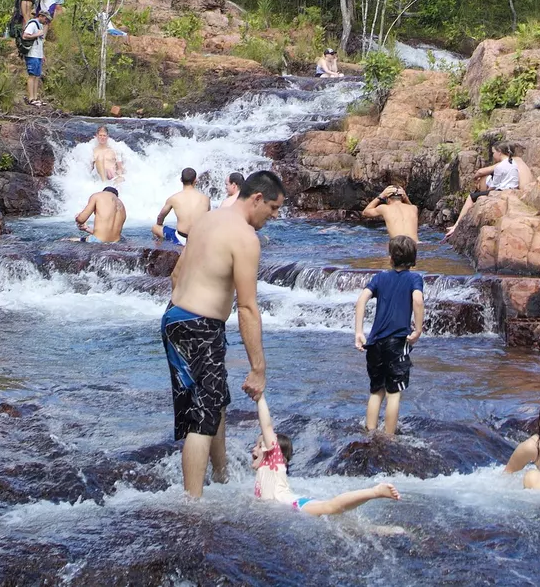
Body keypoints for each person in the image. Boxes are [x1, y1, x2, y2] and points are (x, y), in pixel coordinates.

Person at [162, 170, 285, 498]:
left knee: (214, 400)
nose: (273, 216)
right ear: (257, 198)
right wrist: (258, 367)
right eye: (272, 208)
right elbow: (246, 307)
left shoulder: (205, 220)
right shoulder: (245, 237)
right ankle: (193, 506)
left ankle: (220, 476)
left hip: (174, 319)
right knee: (203, 415)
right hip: (201, 325)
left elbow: (176, 274)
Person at [252, 393, 401, 515]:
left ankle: (375, 491)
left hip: (291, 503)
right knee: (340, 521)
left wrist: (260, 398)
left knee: (329, 508)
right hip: (287, 506)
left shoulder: (273, 462)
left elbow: (266, 425)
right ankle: (383, 530)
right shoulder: (263, 474)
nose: (254, 449)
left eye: (260, 446)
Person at [353, 235, 424, 435]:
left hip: (374, 343)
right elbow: (417, 301)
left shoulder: (380, 278)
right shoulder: (414, 278)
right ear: (414, 259)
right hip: (396, 343)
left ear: (391, 258)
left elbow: (361, 300)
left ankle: (370, 431)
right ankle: (389, 437)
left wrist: (359, 332)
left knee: (376, 391)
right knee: (394, 394)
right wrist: (417, 330)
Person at [444, 143, 521, 236]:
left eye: (493, 152)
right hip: (512, 189)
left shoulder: (499, 166)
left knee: (471, 197)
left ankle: (456, 225)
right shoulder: (513, 163)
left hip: (500, 191)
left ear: (499, 152)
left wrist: (486, 188)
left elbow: (494, 186)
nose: (493, 155)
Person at [154, 167, 211, 245]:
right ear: (195, 180)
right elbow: (208, 219)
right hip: (199, 238)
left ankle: (159, 248)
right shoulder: (205, 198)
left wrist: (159, 224)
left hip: (181, 238)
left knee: (155, 228)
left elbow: (160, 217)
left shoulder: (173, 198)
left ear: (181, 180)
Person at [21, 12, 51, 107]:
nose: (46, 21)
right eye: (45, 18)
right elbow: (25, 36)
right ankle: (31, 98)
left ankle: (35, 97)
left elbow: (40, 42)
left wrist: (42, 55)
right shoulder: (33, 24)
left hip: (38, 54)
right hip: (32, 54)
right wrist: (37, 34)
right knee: (32, 75)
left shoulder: (40, 26)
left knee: (37, 76)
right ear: (40, 16)